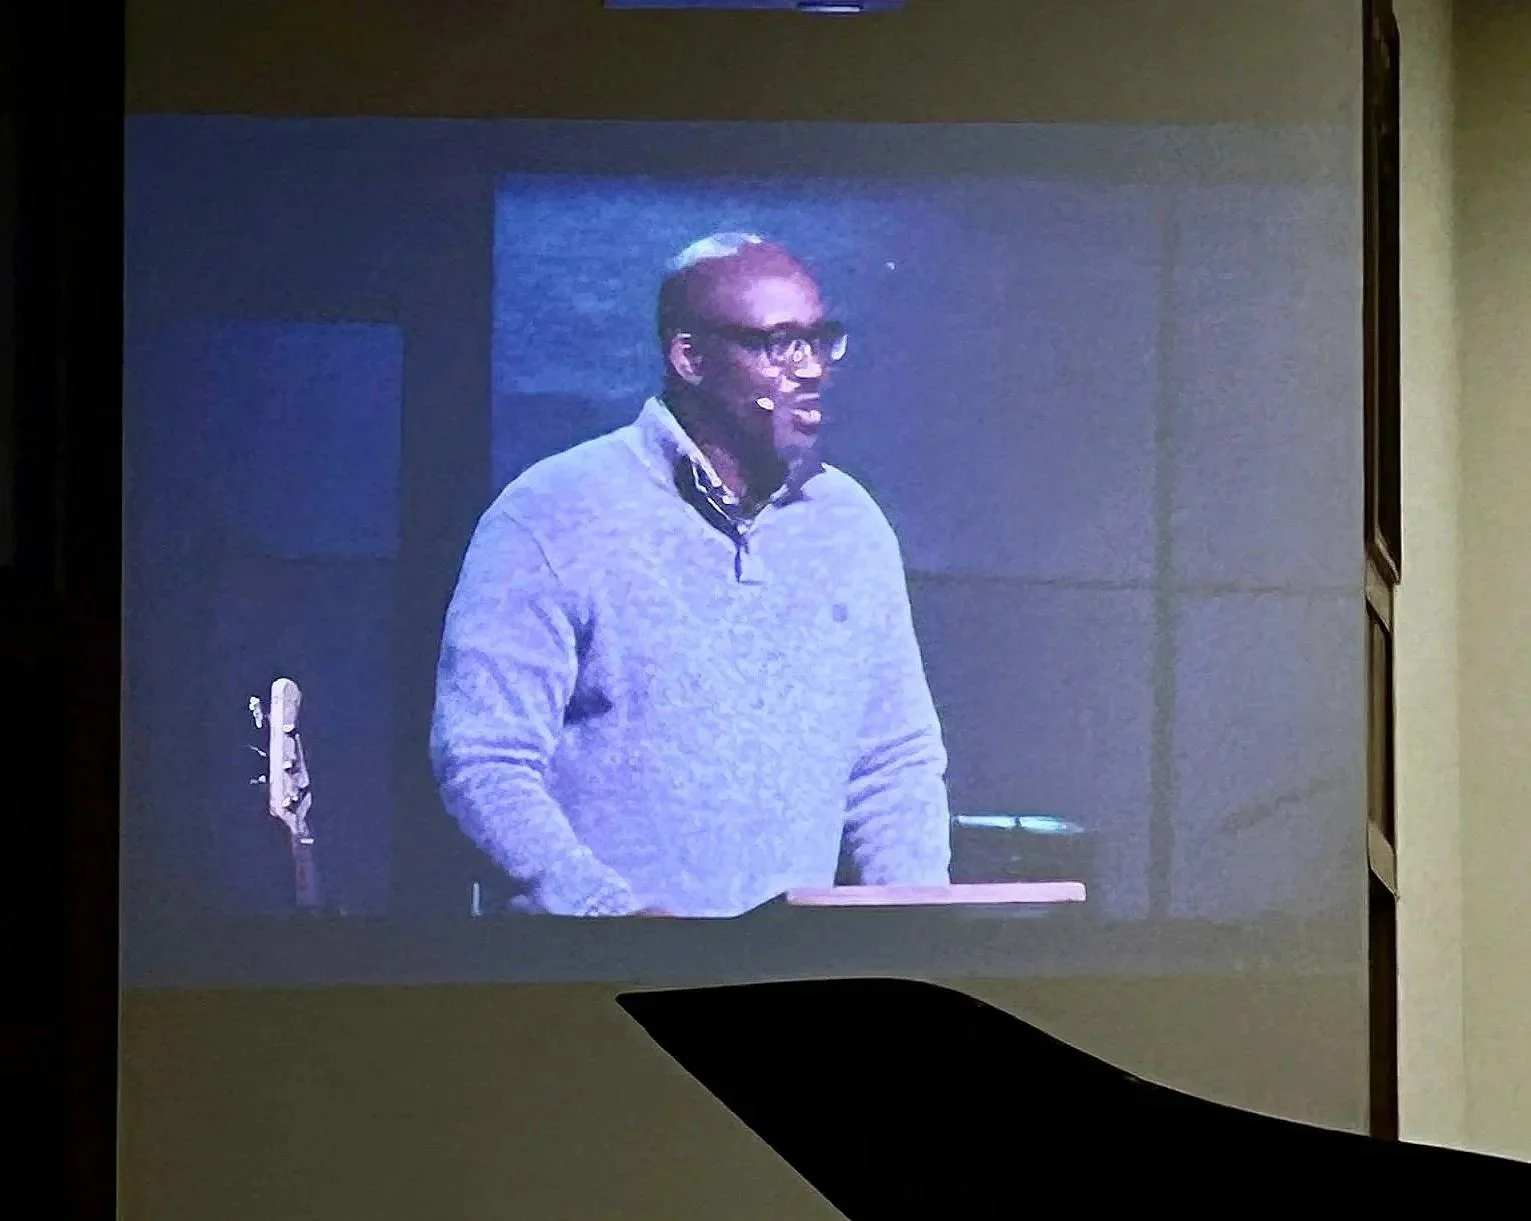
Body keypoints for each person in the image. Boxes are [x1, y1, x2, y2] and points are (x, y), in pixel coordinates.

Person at [431, 233, 950, 916]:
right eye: (778, 343)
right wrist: (606, 913)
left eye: (820, 340)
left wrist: (914, 923)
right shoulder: (553, 511)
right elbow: (484, 759)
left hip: (786, 983)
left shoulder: (849, 524)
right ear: (690, 356)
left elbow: (893, 763)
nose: (811, 368)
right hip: (592, 983)